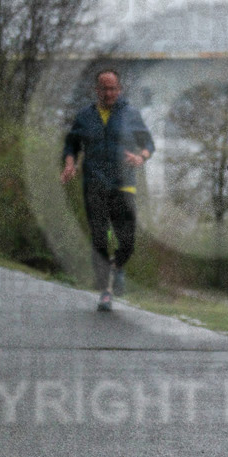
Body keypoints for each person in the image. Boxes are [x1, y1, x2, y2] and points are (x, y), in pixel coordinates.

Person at [61, 69, 155, 312]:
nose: (109, 93)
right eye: (104, 88)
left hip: (124, 184)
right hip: (95, 183)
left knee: (127, 241)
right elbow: (71, 144)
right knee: (99, 237)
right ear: (97, 90)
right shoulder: (85, 116)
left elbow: (148, 143)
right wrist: (70, 164)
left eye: (113, 88)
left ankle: (116, 267)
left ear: (119, 89)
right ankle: (106, 290)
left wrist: (141, 157)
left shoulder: (131, 114)